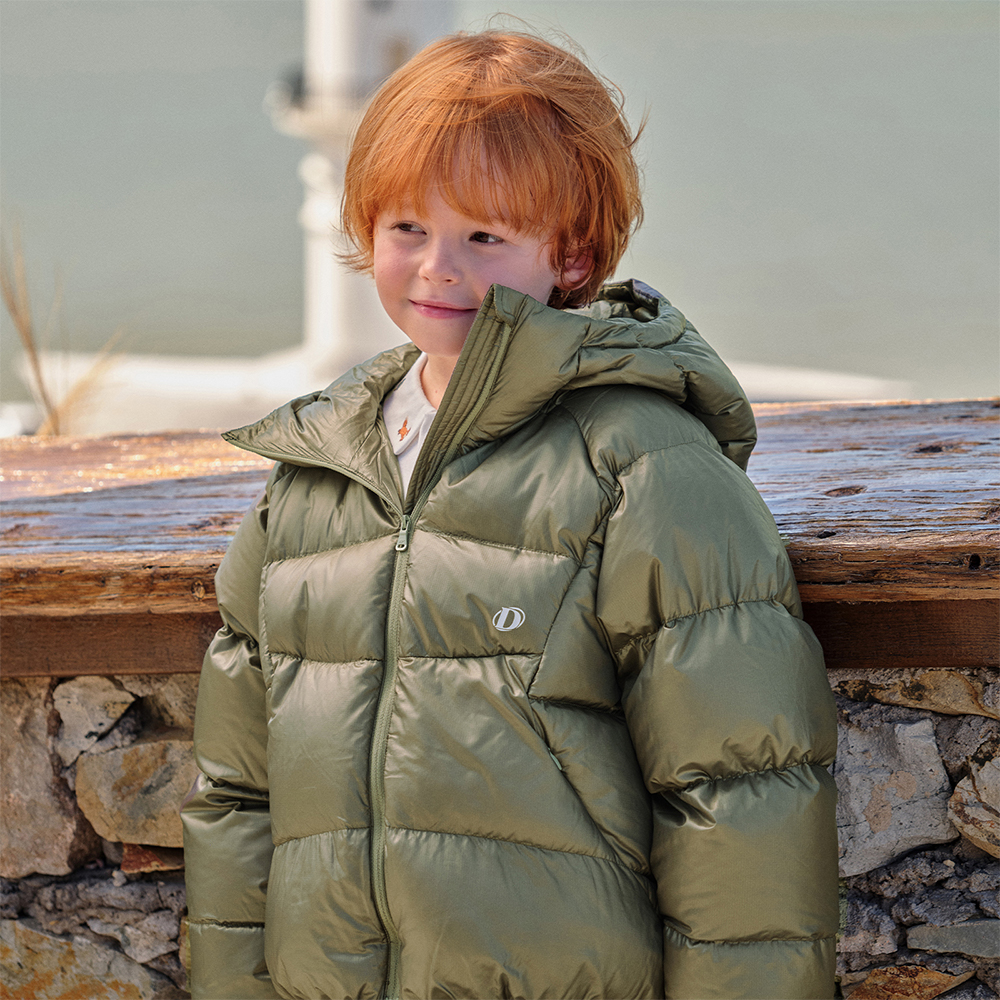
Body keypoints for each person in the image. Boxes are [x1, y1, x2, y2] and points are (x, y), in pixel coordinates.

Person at [182, 28, 839, 1000]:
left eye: (483, 237)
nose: (436, 267)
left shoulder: (642, 464)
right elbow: (239, 794)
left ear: (571, 253)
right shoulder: (314, 479)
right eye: (407, 227)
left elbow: (739, 790)